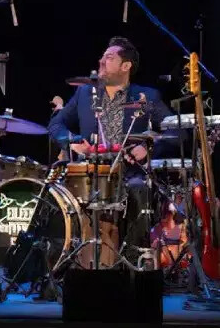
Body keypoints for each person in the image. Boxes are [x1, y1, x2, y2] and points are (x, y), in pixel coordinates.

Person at [48, 36, 177, 265]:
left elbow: (176, 131)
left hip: (130, 173)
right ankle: (63, 265)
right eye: (102, 56)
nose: (101, 61)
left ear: (125, 66)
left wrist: (149, 146)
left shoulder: (146, 97)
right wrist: (73, 141)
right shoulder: (85, 94)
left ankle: (131, 264)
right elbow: (56, 125)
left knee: (138, 190)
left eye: (109, 57)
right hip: (89, 174)